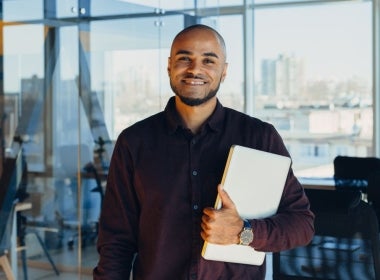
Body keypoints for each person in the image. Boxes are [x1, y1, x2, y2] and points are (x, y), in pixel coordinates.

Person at [93, 24, 314, 280]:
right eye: (184, 58)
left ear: (224, 71)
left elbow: (302, 224)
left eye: (208, 60)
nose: (195, 69)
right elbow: (116, 240)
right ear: (169, 66)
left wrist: (243, 232)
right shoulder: (134, 141)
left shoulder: (260, 137)